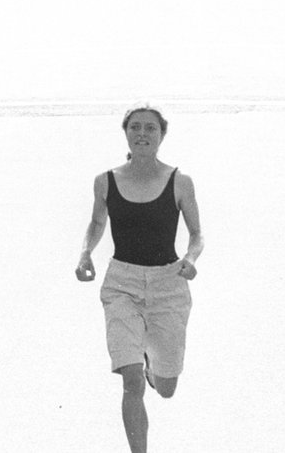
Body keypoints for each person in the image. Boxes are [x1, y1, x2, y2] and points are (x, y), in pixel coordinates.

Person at [75, 104, 204, 453]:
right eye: (136, 127)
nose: (142, 133)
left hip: (168, 285)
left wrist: (191, 259)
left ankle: (153, 366)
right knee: (131, 380)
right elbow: (97, 223)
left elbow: (196, 234)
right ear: (126, 133)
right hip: (122, 284)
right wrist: (86, 252)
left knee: (165, 386)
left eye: (150, 128)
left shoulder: (180, 181)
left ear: (162, 135)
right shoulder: (106, 180)